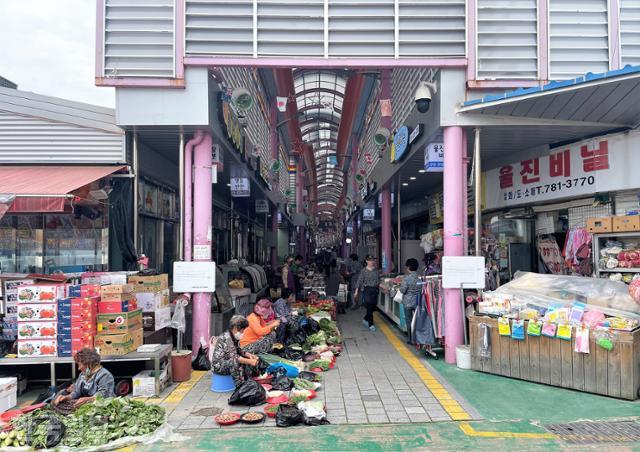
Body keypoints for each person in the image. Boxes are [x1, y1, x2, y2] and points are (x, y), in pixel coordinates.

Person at [211, 315, 259, 385]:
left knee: (245, 358)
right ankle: (238, 383)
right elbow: (235, 357)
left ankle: (246, 378)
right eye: (243, 330)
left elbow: (239, 350)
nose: (243, 332)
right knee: (234, 362)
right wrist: (250, 361)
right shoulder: (227, 338)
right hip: (219, 366)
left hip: (226, 361)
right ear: (236, 328)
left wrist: (250, 355)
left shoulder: (233, 337)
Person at [354, 255, 380, 332]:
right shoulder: (363, 271)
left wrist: (382, 286)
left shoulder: (376, 270)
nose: (372, 261)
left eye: (373, 260)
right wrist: (356, 292)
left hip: (375, 290)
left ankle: (365, 319)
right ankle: (371, 324)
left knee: (373, 307)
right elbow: (359, 281)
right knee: (369, 305)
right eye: (370, 260)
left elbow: (378, 281)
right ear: (366, 261)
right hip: (367, 290)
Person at [399, 258, 421, 344]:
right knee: (417, 320)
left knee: (409, 320)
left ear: (408, 267)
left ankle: (410, 339)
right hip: (417, 301)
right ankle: (418, 338)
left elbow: (402, 290)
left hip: (407, 302)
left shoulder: (406, 278)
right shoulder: (420, 278)